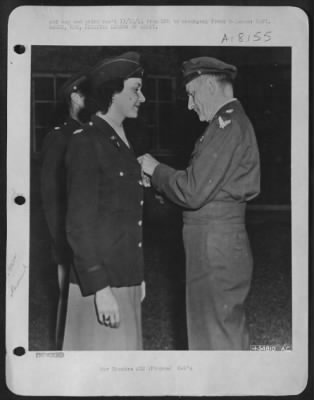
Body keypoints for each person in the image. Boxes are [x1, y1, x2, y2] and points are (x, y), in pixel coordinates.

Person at [139, 56, 260, 350]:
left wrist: (156, 170)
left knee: (215, 336)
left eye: (192, 95)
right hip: (215, 241)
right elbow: (205, 189)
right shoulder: (227, 125)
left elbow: (194, 190)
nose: (190, 105)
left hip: (215, 246)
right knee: (213, 330)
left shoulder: (227, 125)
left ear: (208, 85)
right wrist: (160, 184)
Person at [63, 52, 146, 350]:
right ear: (112, 92)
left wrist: (138, 277)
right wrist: (100, 288)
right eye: (136, 89)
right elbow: (79, 225)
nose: (143, 98)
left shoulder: (119, 139)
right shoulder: (86, 140)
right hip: (100, 284)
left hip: (125, 278)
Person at [40, 70, 90, 349]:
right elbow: (51, 196)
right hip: (68, 241)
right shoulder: (60, 137)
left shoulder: (90, 133)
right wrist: (62, 244)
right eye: (88, 95)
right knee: (68, 305)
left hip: (86, 239)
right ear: (74, 95)